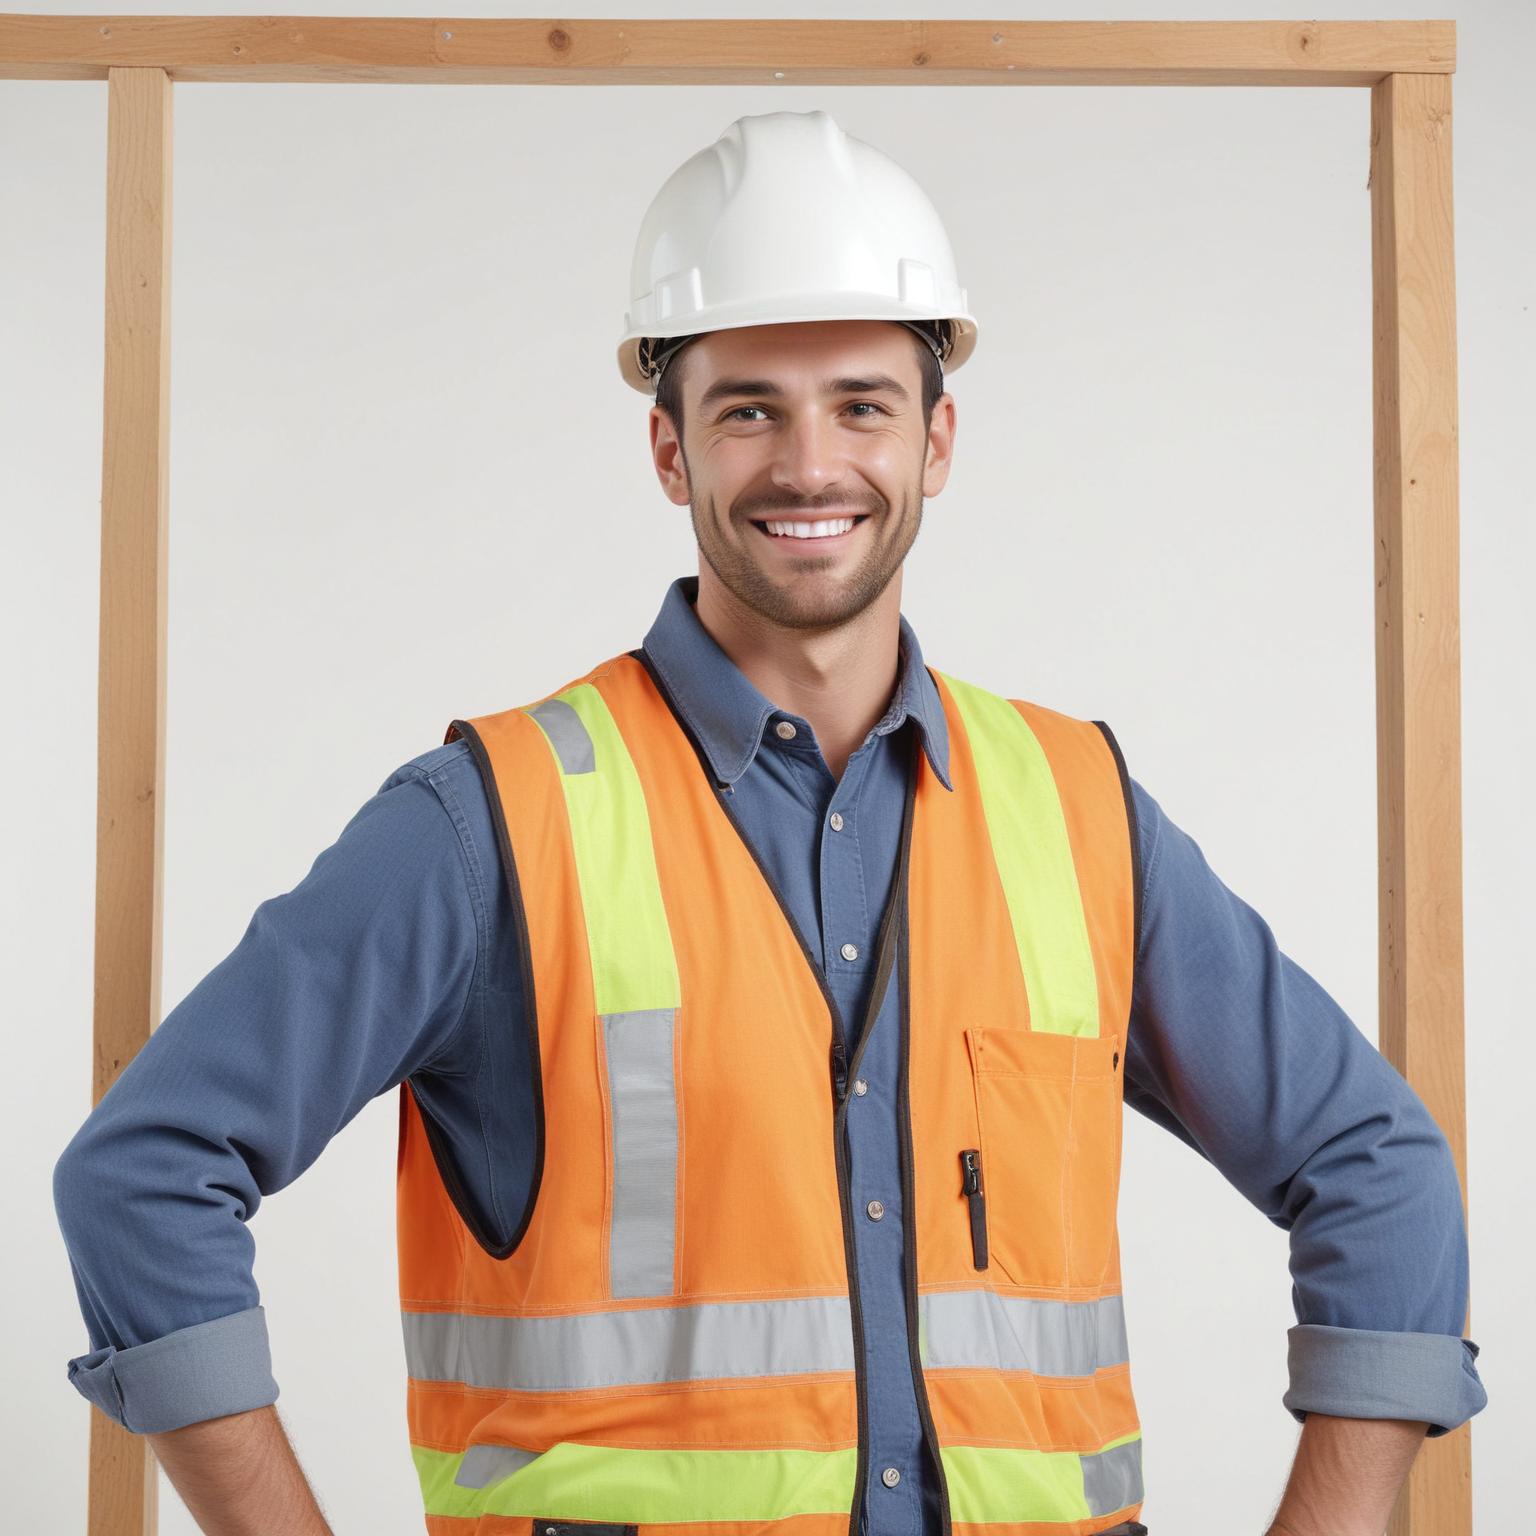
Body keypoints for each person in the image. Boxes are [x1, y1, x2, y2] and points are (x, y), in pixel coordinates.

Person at [54, 109, 1485, 1536]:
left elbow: (1382, 1173)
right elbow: (146, 1174)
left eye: (860, 404)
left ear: (936, 438)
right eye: (749, 407)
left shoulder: (1077, 810)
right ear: (670, 450)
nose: (810, 465)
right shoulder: (494, 820)